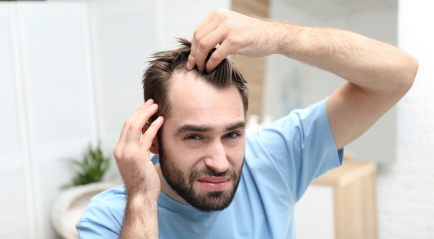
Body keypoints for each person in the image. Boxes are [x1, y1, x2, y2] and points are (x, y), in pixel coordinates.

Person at [76, 9, 418, 239]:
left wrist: (281, 37)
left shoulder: (273, 158)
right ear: (152, 139)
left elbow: (398, 74)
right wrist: (141, 200)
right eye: (195, 136)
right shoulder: (110, 220)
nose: (220, 161)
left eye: (232, 134)